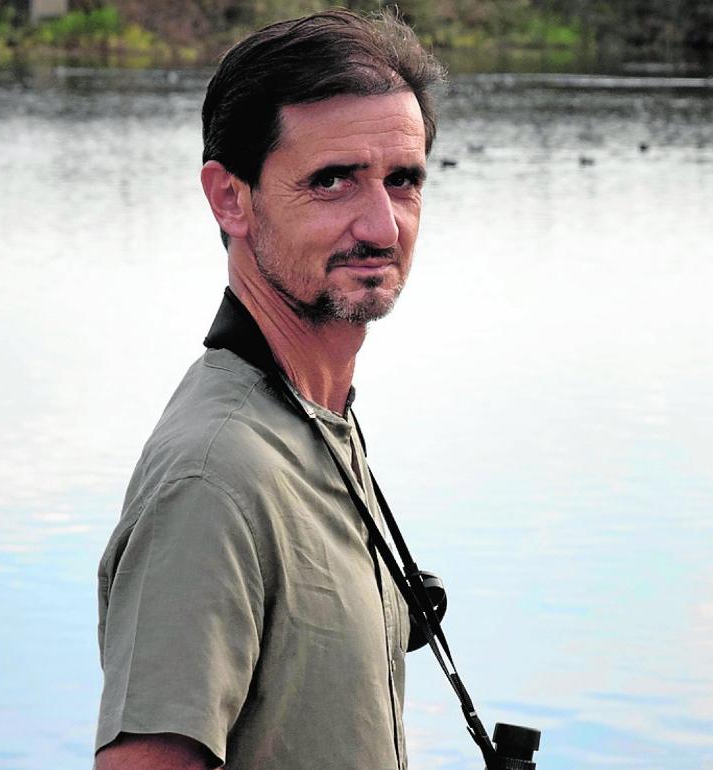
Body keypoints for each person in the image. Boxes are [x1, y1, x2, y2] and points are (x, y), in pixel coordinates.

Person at [93, 10, 445, 769]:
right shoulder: (213, 477)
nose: (382, 227)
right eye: (332, 181)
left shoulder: (312, 419)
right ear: (231, 198)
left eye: (403, 181)